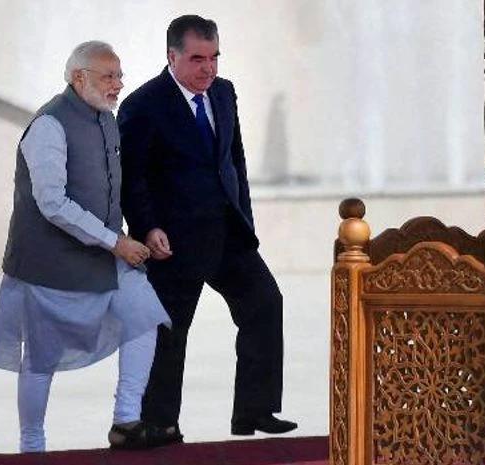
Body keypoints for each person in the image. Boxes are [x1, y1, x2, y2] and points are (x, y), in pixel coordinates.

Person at [117, 15, 297, 443]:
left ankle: (254, 411)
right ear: (172, 56)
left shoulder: (224, 92)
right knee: (169, 331)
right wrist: (147, 228)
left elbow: (235, 162)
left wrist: (246, 221)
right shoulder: (144, 104)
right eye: (198, 58)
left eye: (214, 56)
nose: (208, 68)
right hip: (173, 240)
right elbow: (132, 177)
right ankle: (161, 423)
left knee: (265, 304)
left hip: (229, 233)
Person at [0, 40, 172, 453]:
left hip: (105, 253)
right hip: (50, 263)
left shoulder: (105, 119)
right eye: (109, 76)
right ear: (78, 77)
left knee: (144, 316)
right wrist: (115, 243)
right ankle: (31, 445)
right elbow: (52, 203)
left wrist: (145, 231)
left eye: (120, 75)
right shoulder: (48, 126)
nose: (118, 84)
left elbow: (111, 187)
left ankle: (127, 421)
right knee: (41, 357)